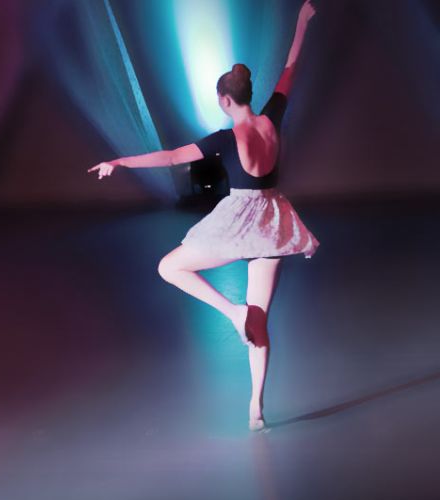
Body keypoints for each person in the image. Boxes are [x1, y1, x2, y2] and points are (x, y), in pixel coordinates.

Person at [88, 1, 320, 431]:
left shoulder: (225, 139)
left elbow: (171, 156)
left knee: (169, 267)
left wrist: (120, 162)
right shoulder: (273, 116)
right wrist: (302, 22)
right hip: (272, 222)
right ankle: (256, 407)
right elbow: (291, 65)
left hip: (242, 221)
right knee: (260, 319)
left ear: (225, 100)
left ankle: (230, 312)